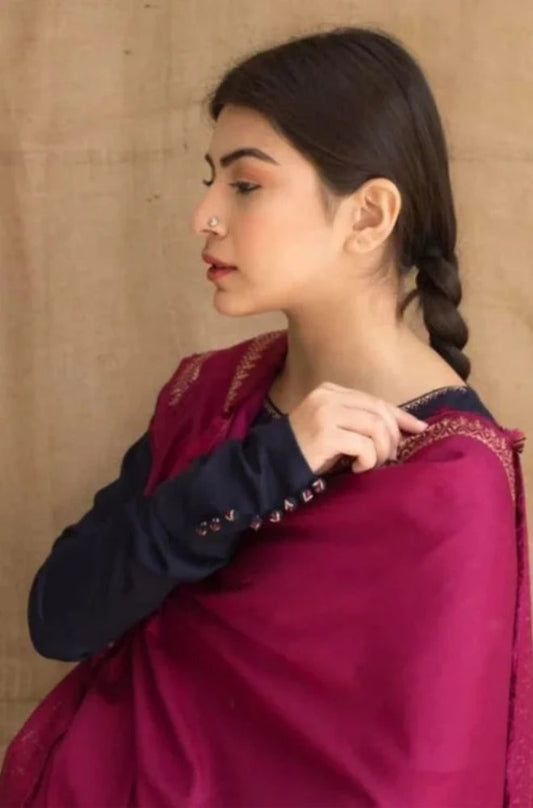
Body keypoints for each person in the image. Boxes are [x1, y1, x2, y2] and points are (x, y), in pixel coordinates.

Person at [0, 25, 531, 808]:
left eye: (244, 185)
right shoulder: (212, 395)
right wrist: (262, 470)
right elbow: (60, 619)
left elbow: (424, 784)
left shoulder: (449, 478)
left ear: (368, 215)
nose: (202, 215)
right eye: (209, 180)